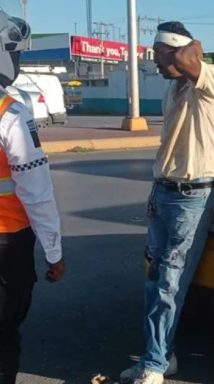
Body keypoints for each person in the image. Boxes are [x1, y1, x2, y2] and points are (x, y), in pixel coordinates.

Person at [119, 21, 214, 384]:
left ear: (175, 50)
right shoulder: (173, 91)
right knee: (155, 280)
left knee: (169, 283)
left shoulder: (212, 80)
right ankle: (161, 357)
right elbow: (179, 57)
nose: (153, 60)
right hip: (163, 191)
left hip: (192, 197)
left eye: (157, 52)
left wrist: (184, 44)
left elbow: (189, 52)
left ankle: (153, 365)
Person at [0, 9, 64, 384]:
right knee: (5, 332)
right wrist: (54, 253)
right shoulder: (10, 114)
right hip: (7, 242)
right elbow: (36, 191)